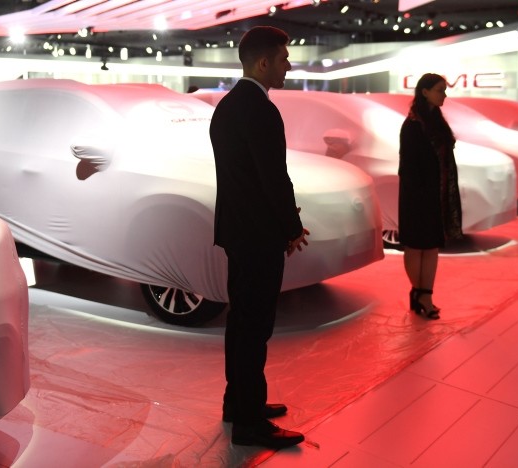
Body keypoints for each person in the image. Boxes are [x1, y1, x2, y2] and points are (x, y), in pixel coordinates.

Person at [208, 26, 309, 449]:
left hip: (238, 231)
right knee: (254, 328)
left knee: (241, 323)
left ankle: (239, 403)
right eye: (284, 58)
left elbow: (243, 179)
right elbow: (273, 178)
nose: (289, 65)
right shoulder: (261, 110)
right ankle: (249, 423)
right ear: (263, 62)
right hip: (258, 236)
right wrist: (291, 227)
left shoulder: (228, 106)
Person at [398, 73, 463, 320]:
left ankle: (424, 295)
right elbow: (409, 167)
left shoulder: (437, 121)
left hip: (437, 194)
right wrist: (419, 196)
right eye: (439, 90)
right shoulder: (413, 124)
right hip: (417, 196)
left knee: (431, 246)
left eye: (444, 90)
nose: (444, 94)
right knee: (416, 246)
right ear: (424, 91)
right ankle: (420, 294)